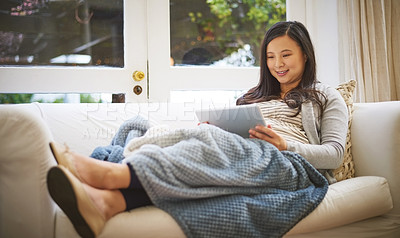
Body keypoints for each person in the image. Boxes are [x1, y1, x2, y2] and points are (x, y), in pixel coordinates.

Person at [46, 21, 348, 238]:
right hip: (245, 155)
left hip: (288, 164)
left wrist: (286, 145)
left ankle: (110, 173)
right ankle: (108, 203)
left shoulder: (324, 95)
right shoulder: (251, 97)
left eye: (286, 55)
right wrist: (214, 129)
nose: (277, 64)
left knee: (215, 143)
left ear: (305, 55)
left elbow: (334, 155)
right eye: (270, 56)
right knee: (146, 130)